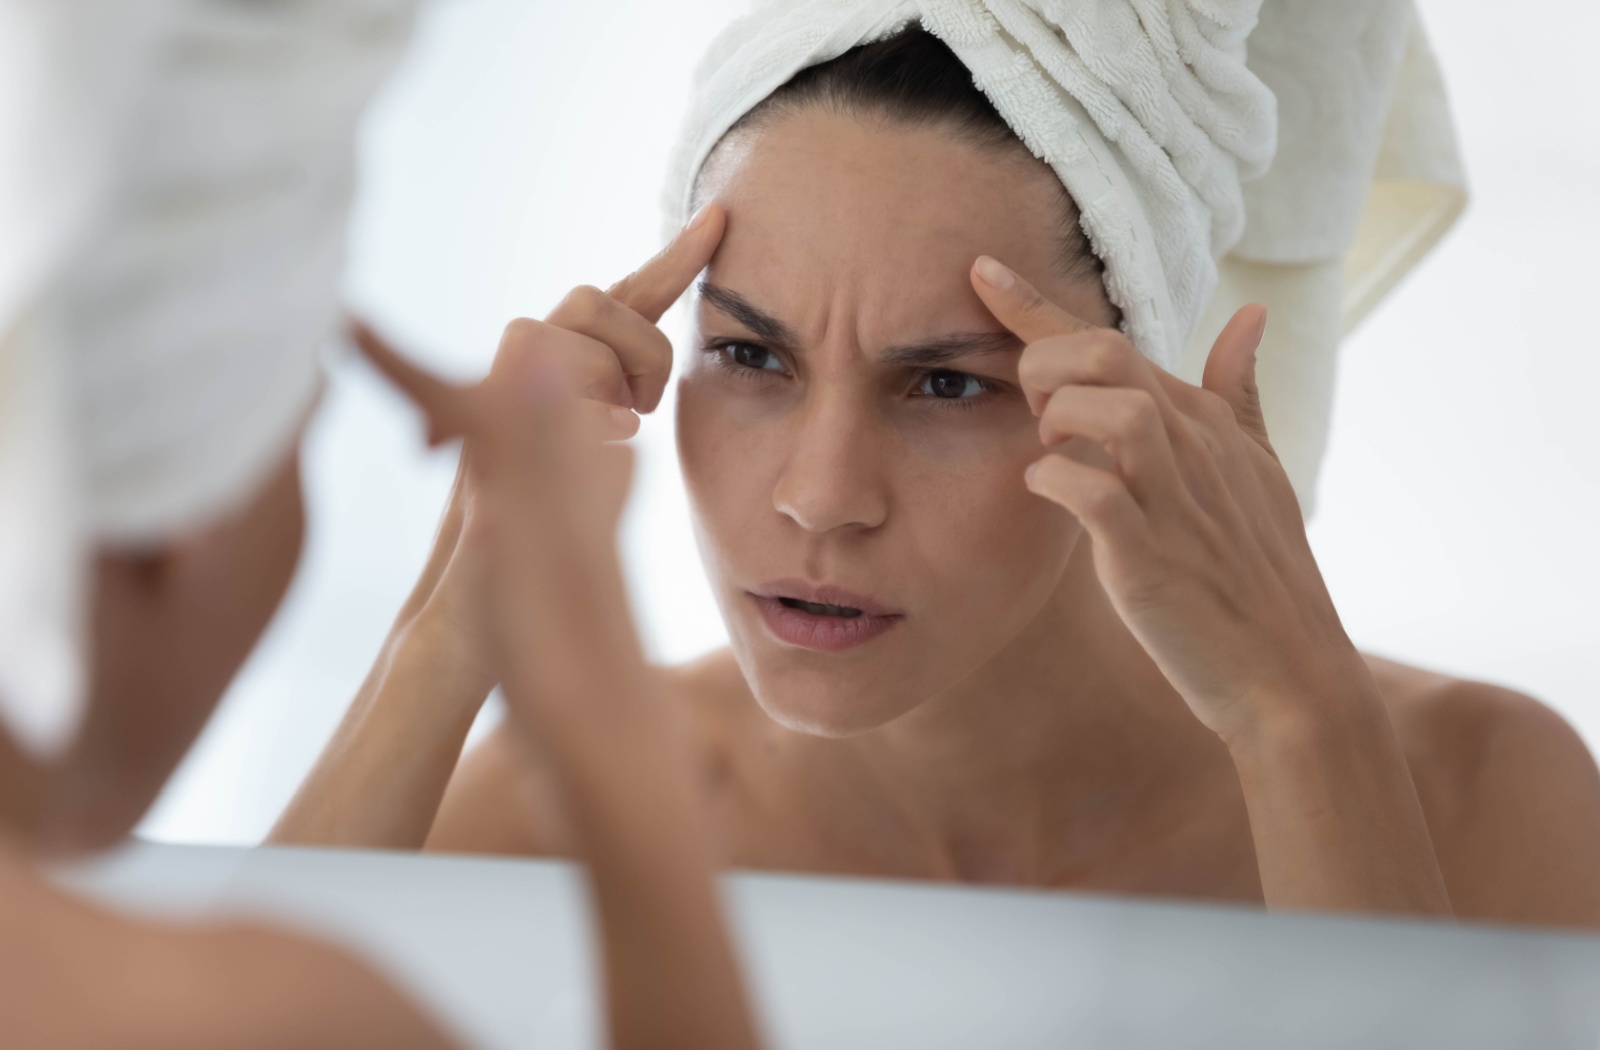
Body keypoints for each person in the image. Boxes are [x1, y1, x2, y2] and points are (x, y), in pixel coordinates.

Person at [275, 18, 1600, 927]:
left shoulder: (1480, 801)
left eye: (949, 382)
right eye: (748, 353)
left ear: (1139, 393)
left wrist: (1302, 721)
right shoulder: (555, 817)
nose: (819, 495)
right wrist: (439, 642)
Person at [0, 2, 761, 1045]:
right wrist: (608, 722)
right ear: (183, 515)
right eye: (303, 425)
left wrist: (452, 625)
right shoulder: (264, 1014)